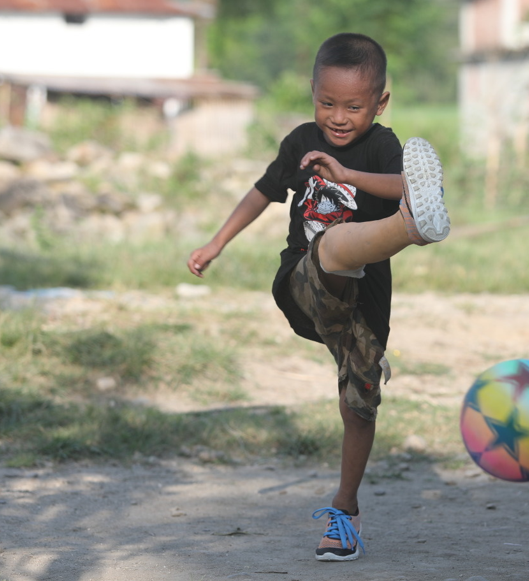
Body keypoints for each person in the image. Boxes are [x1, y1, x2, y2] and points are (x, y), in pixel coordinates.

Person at [186, 32, 450, 561]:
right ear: (312, 93)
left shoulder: (382, 146)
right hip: (304, 285)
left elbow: (402, 180)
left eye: (354, 106)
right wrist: (217, 241)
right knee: (330, 245)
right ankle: (414, 228)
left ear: (381, 102)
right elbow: (262, 192)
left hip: (365, 304)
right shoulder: (302, 140)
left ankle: (344, 512)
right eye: (327, 102)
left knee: (360, 407)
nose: (338, 116)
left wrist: (350, 175)